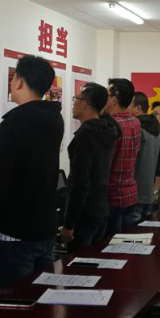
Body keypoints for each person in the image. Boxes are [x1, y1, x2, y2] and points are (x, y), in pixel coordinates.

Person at [0, 55, 63, 288]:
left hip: (15, 232)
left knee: (15, 300)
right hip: (45, 227)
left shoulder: (13, 124)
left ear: (18, 82)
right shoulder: (55, 119)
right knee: (42, 297)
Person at [60, 83, 118, 250]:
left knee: (78, 263)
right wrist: (100, 110)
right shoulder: (108, 130)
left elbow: (80, 183)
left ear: (85, 104)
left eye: (76, 99)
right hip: (100, 209)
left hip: (84, 214)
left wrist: (69, 224)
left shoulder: (86, 135)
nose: (73, 104)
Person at [104, 78, 142, 234]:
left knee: (108, 245)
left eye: (106, 95)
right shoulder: (136, 122)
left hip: (112, 196)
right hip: (131, 193)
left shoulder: (111, 125)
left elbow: (105, 164)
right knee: (126, 244)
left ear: (114, 99)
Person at [130, 91, 160, 219]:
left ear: (138, 108)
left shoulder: (138, 128)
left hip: (135, 193)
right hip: (148, 192)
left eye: (129, 105)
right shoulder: (156, 129)